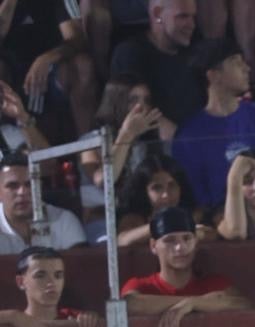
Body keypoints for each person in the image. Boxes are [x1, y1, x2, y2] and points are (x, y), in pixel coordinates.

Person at [170, 38, 255, 210]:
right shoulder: (188, 136)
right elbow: (196, 200)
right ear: (213, 75)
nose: (247, 69)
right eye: (237, 63)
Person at [120, 205, 250, 327]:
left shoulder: (214, 283)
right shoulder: (141, 285)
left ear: (196, 242)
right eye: (169, 240)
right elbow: (129, 305)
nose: (179, 247)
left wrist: (193, 303)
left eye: (187, 238)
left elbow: (242, 303)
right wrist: (194, 302)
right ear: (154, 246)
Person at [2, 0, 98, 137]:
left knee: (83, 65)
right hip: (12, 78)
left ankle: (88, 147)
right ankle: (13, 145)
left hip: (53, 71)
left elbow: (77, 39)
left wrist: (46, 59)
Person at [109, 0, 205, 127]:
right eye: (183, 16)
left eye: (193, 17)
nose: (191, 24)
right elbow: (131, 110)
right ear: (157, 14)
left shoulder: (197, 50)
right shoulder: (129, 54)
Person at [114, 151, 214, 247]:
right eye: (157, 188)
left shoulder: (195, 213)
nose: (166, 194)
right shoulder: (135, 217)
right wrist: (169, 223)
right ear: (144, 191)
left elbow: (213, 235)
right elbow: (123, 240)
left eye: (172, 186)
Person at [3, 245, 100, 327]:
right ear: (21, 282)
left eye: (58, 276)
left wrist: (93, 320)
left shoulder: (76, 317)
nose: (51, 282)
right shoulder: (11, 321)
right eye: (40, 276)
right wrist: (11, 316)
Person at [0, 149, 88, 253]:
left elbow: (79, 265)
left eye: (29, 185)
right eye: (13, 186)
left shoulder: (64, 220)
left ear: (39, 187)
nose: (22, 192)